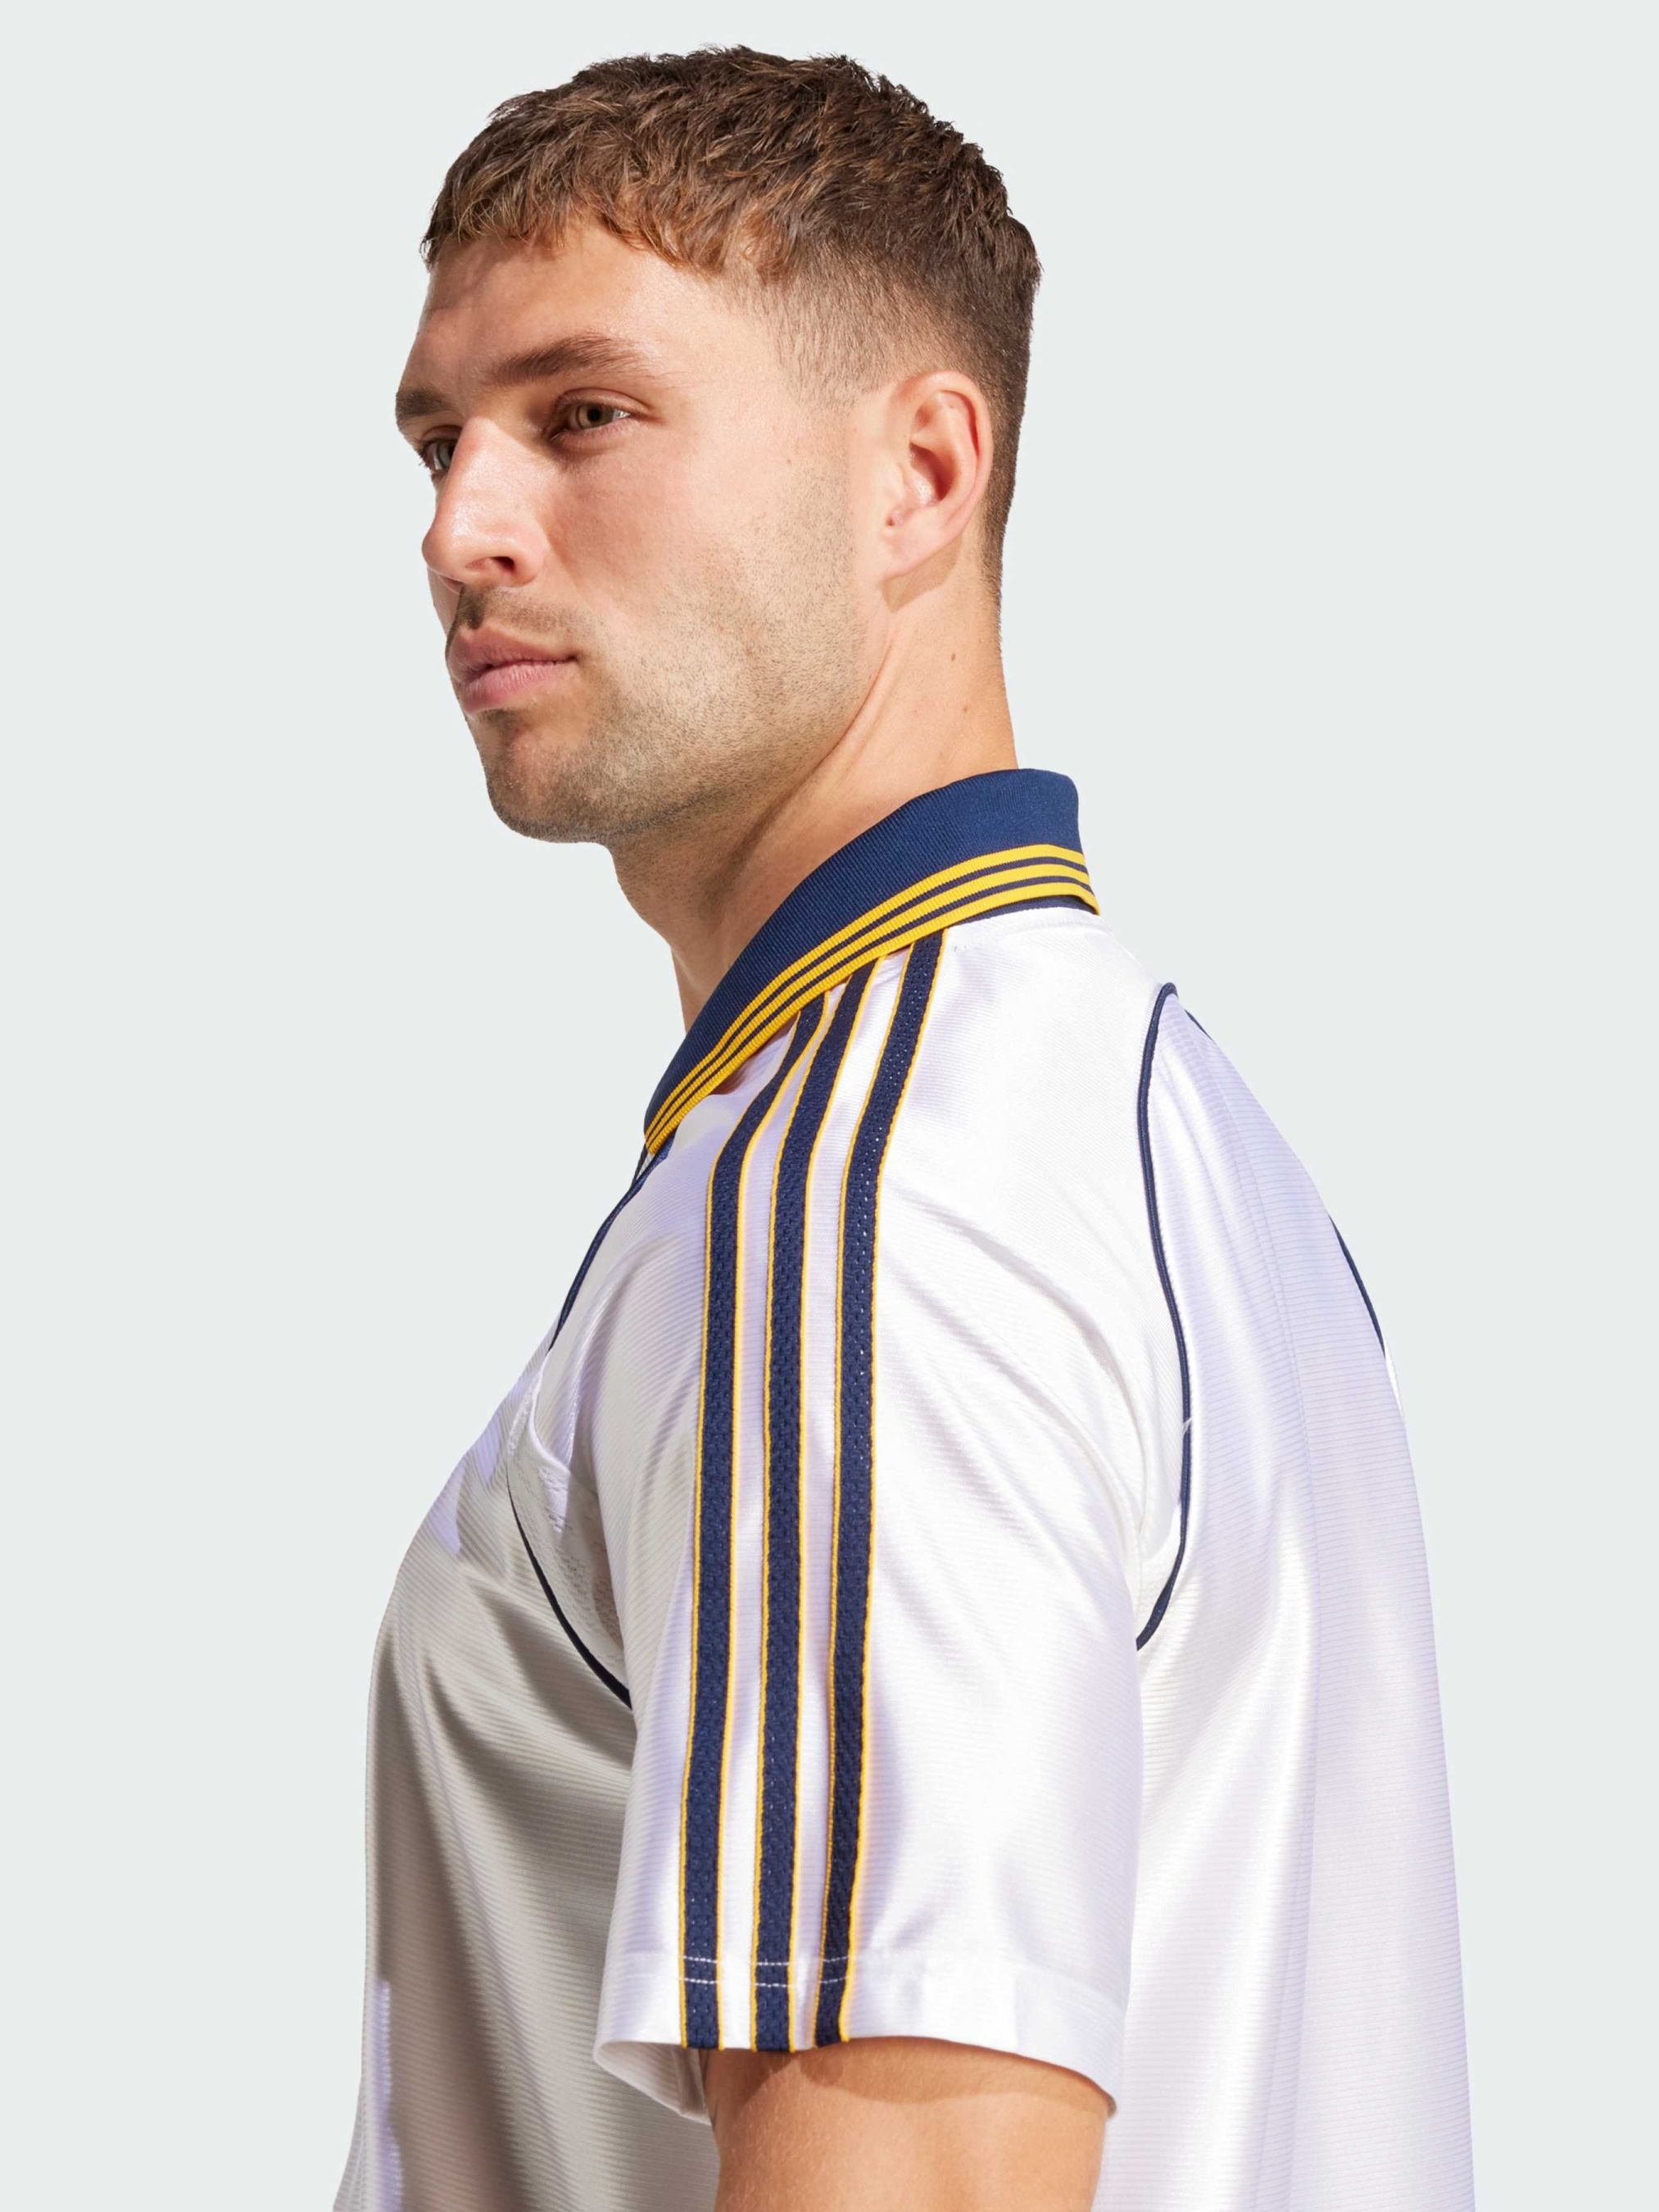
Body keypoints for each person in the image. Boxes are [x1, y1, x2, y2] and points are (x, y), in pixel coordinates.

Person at [336, 44, 1474, 2212]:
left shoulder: (860, 1212)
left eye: (585, 415)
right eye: (436, 440)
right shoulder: (1156, 1121)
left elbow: (929, 2176)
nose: (459, 528)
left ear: (919, 477)